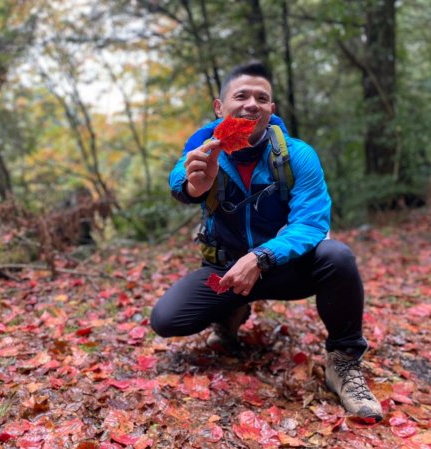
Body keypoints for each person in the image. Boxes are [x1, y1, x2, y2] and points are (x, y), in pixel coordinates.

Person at [150, 61, 383, 421]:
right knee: (166, 318)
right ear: (219, 107)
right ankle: (229, 318)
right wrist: (193, 186)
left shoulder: (297, 155)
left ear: (271, 109)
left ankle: (344, 362)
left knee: (337, 256)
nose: (251, 104)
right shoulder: (204, 146)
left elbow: (311, 224)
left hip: (281, 268)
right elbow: (182, 175)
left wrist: (261, 256)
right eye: (241, 96)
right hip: (225, 270)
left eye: (262, 97)